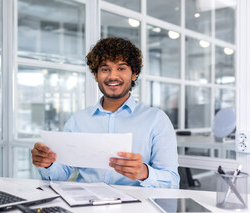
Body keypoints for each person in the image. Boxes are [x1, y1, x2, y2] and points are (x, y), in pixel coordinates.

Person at [31, 37, 179, 188]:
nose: (112, 76)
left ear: (134, 74)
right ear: (96, 75)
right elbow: (60, 174)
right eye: (105, 69)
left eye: (121, 68)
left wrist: (144, 172)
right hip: (85, 206)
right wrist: (47, 164)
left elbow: (172, 181)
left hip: (136, 208)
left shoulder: (156, 120)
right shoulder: (79, 120)